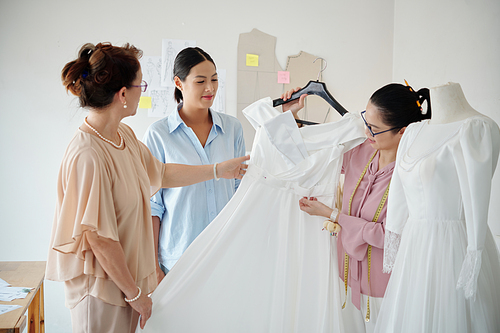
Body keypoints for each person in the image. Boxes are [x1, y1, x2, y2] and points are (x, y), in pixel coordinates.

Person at [45, 42, 249, 333]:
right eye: (141, 83)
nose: (145, 89)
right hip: (103, 290)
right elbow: (99, 239)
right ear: (123, 94)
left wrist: (218, 170)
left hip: (126, 285)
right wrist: (136, 294)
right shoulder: (87, 154)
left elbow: (162, 173)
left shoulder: (123, 136)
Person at [281, 82, 431, 332]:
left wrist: (332, 215)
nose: (366, 132)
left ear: (402, 132)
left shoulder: (413, 176)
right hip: (347, 278)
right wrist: (291, 115)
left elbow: (389, 236)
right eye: (366, 121)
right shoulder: (360, 152)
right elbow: (305, 157)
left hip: (384, 288)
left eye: (374, 129)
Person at [375, 82, 500, 332]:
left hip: (456, 246)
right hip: (415, 247)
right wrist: (395, 233)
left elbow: (478, 198)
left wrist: (473, 252)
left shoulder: (477, 129)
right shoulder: (412, 132)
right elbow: (398, 191)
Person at [143, 47, 245, 282]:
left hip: (227, 255)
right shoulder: (158, 135)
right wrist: (153, 267)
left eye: (214, 79)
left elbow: (241, 192)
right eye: (200, 81)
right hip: (179, 261)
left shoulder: (232, 129)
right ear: (179, 82)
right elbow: (152, 207)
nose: (210, 88)